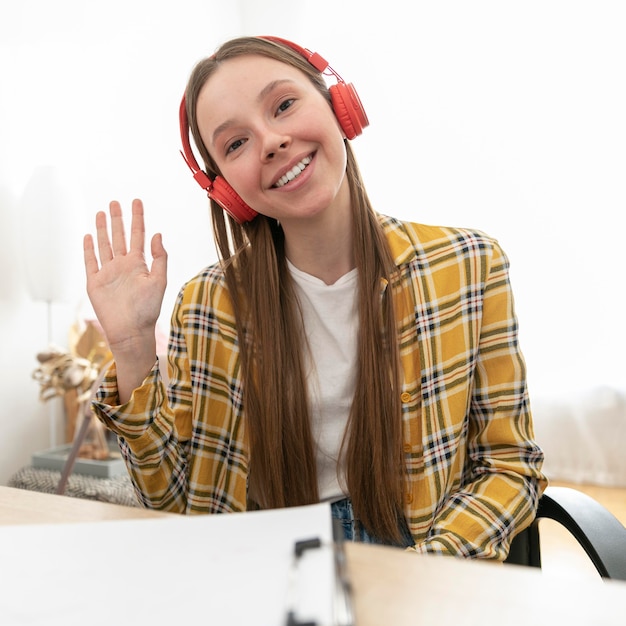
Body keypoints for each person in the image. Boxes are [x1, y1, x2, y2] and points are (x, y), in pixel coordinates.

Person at [83, 35, 546, 558]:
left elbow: (507, 466)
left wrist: (429, 568)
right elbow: (175, 506)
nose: (272, 141)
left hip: (423, 552)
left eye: (283, 105)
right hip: (270, 564)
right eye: (235, 144)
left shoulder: (469, 265)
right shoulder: (208, 304)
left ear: (339, 106)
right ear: (227, 190)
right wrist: (133, 348)